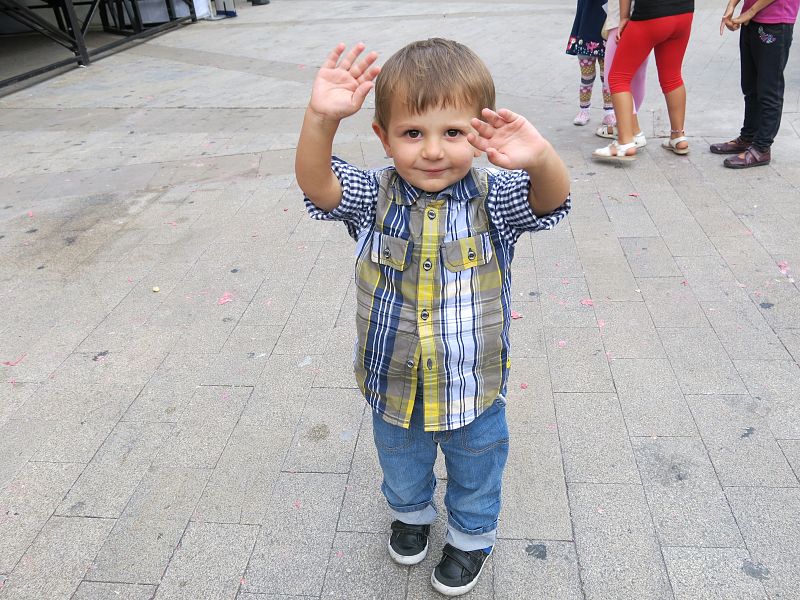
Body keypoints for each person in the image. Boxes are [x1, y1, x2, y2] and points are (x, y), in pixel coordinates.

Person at [295, 39, 571, 597]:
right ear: (383, 136)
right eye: (413, 133)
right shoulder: (373, 197)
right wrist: (320, 119)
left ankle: (471, 537)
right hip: (393, 386)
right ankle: (412, 514)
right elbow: (317, 185)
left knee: (477, 469)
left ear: (482, 131)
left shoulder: (495, 198)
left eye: (454, 132)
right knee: (401, 464)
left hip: (473, 387)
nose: (433, 151)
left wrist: (541, 157)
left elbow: (550, 201)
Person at [593, 0, 694, 161]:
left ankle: (624, 142)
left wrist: (624, 17)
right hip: (684, 12)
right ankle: (678, 136)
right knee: (672, 76)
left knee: (618, 77)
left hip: (650, 13)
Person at [711, 0, 798, 168]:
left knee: (769, 89)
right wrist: (732, 5)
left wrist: (750, 12)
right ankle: (748, 137)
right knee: (750, 87)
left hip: (776, 21)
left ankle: (761, 148)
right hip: (751, 20)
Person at [597, 0, 649, 149]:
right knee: (637, 76)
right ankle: (627, 127)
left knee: (613, 78)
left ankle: (633, 130)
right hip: (649, 17)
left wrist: (623, 17)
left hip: (622, 18)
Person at [566, 0, 615, 127]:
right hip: (585, 32)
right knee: (587, 77)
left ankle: (609, 112)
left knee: (607, 78)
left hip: (607, 33)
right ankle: (584, 110)